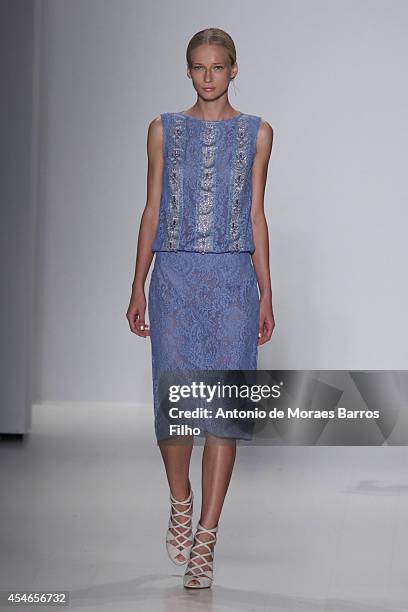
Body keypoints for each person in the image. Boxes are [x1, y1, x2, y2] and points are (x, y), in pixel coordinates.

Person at [126, 27, 275, 589]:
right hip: (176, 278)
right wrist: (138, 282)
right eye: (198, 67)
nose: (208, 76)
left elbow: (257, 215)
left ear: (234, 69)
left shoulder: (257, 133)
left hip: (235, 278)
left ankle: (206, 539)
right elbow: (150, 209)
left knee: (224, 415)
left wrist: (266, 291)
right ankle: (180, 499)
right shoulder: (162, 130)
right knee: (176, 402)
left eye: (217, 67)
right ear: (187, 70)